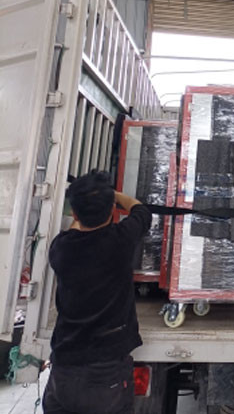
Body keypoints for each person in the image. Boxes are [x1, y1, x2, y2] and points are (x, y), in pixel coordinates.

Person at [43, 171, 152, 414]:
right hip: (105, 372)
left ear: (74, 214)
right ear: (112, 209)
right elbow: (141, 211)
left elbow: (75, 230)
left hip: (65, 369)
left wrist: (92, 200)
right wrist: (113, 195)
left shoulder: (61, 250)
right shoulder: (120, 242)